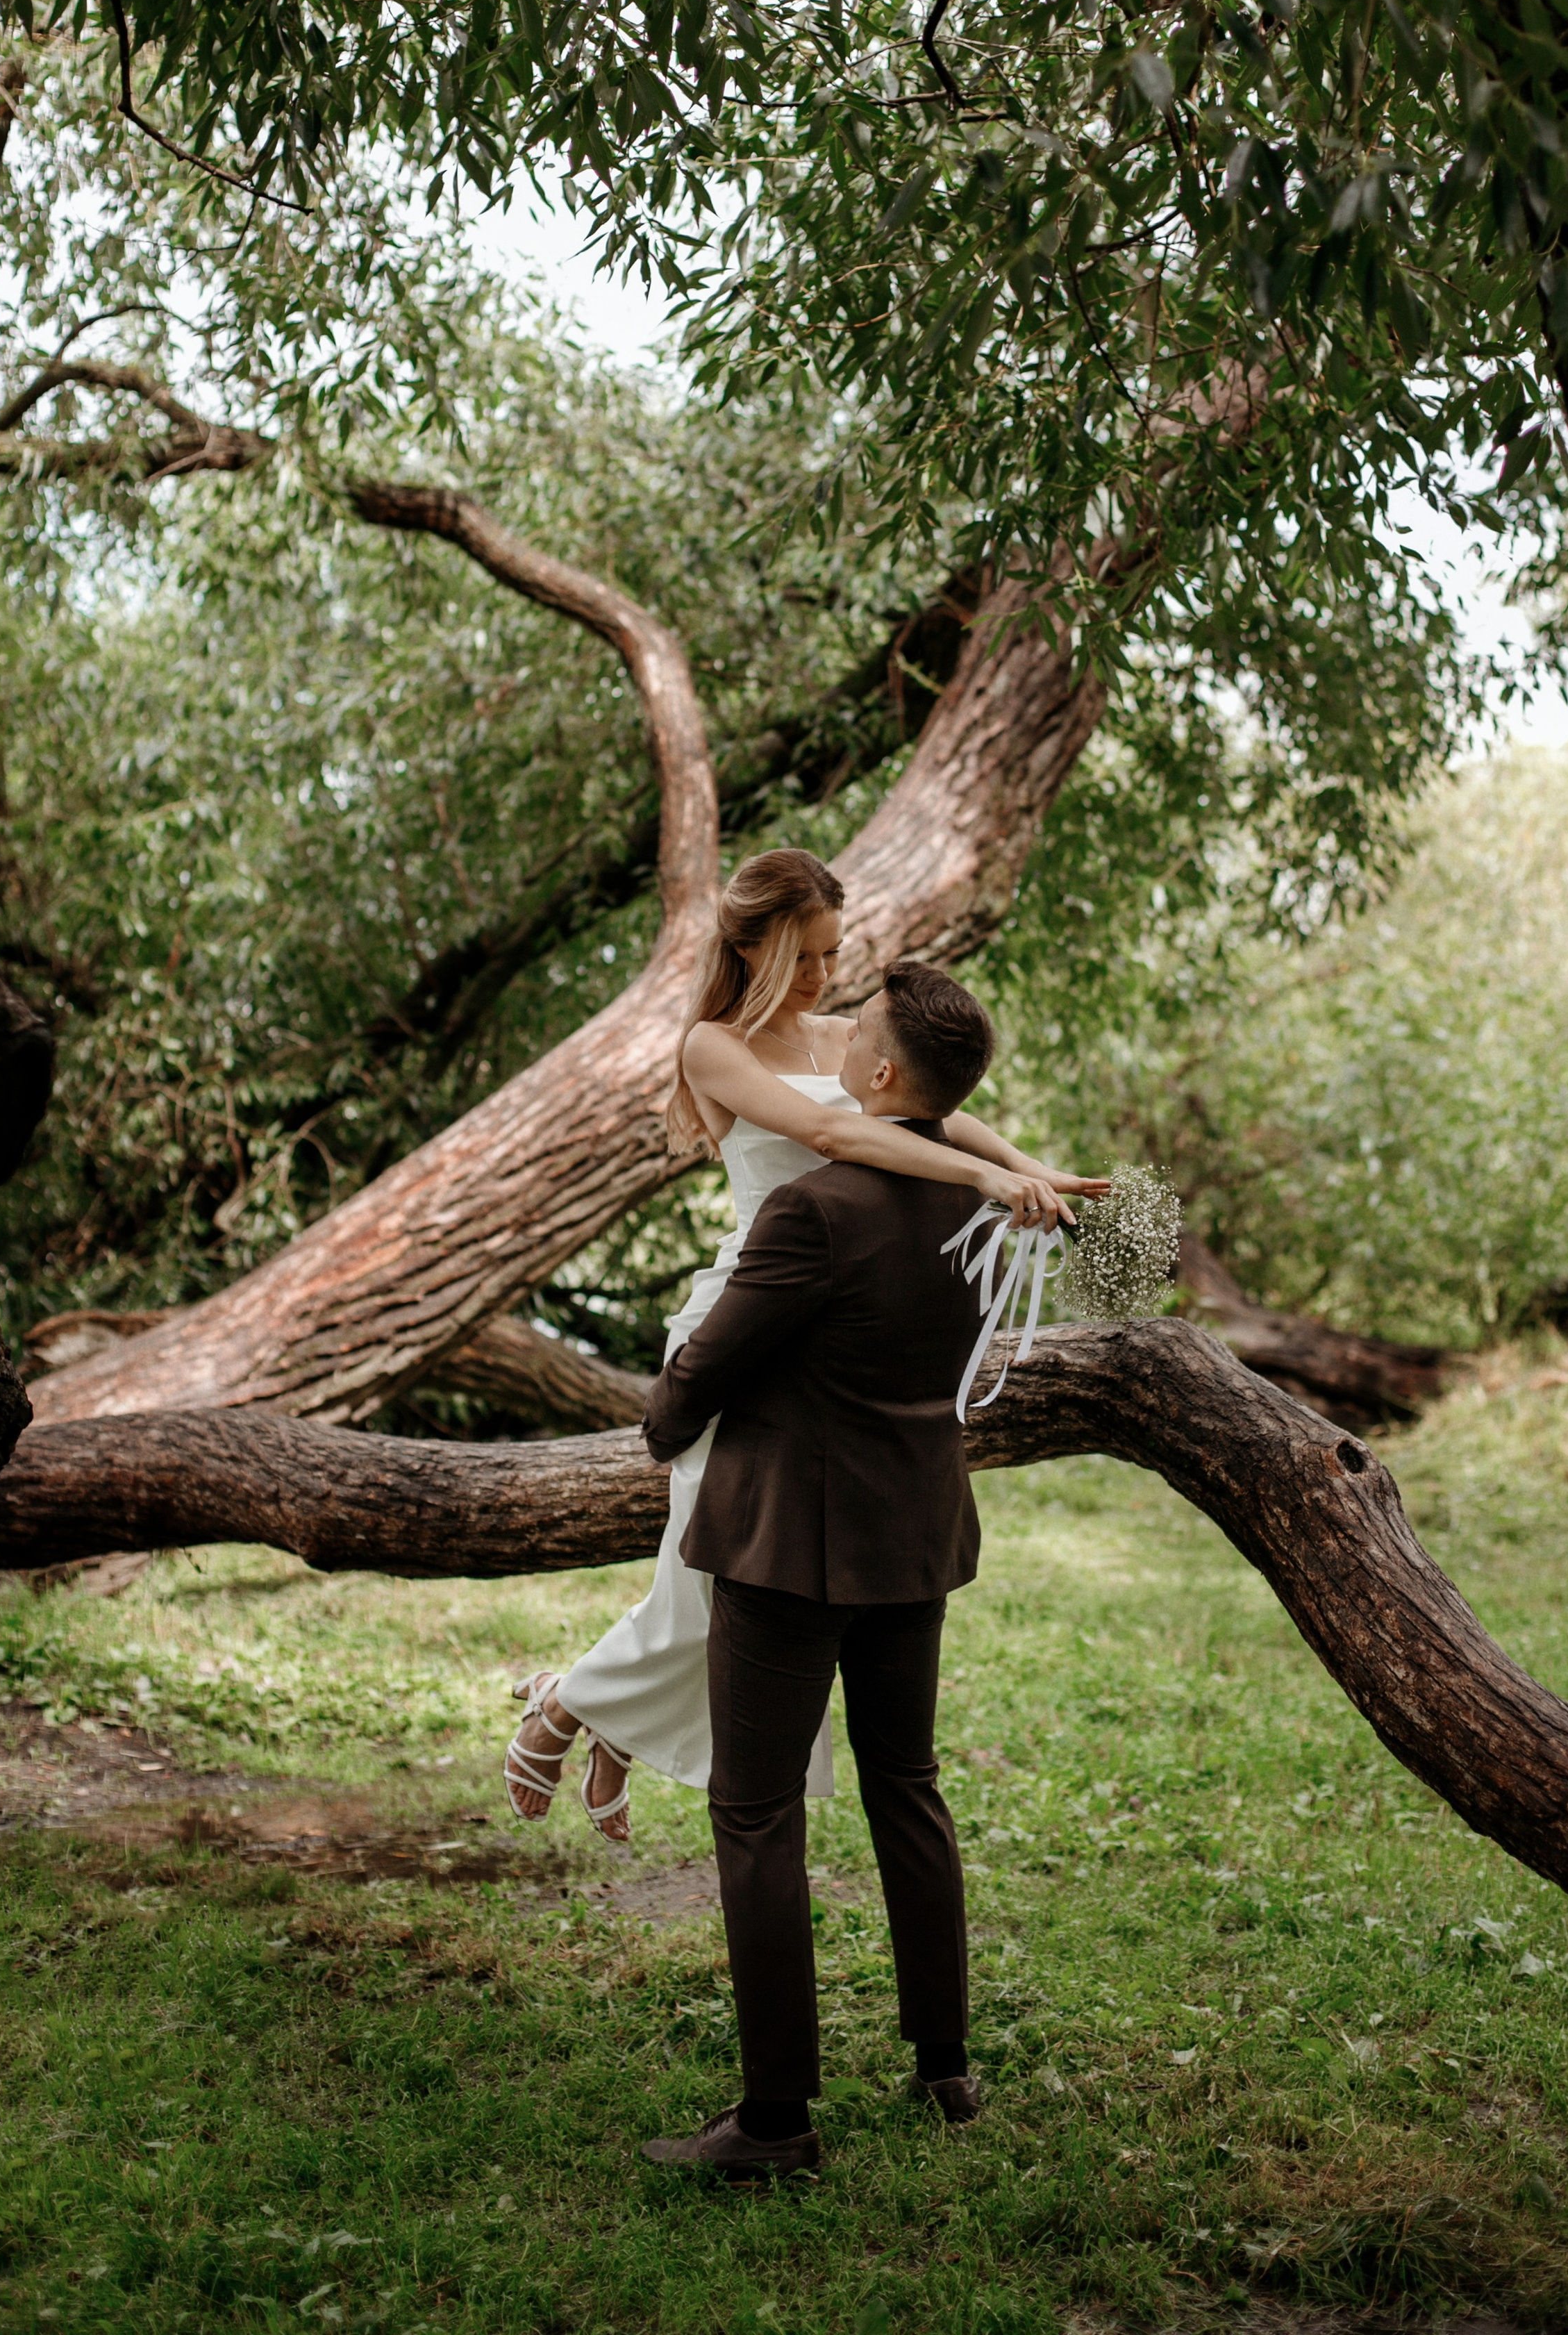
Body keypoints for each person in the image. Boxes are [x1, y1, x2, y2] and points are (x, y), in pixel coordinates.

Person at [502, 848, 1099, 1843]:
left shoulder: (840, 1038)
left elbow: (947, 1116)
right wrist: (983, 1184)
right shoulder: (714, 1049)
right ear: (755, 948)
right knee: (706, 1578)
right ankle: (568, 1704)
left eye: (834, 955)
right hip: (753, 1322)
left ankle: (586, 1710)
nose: (828, 979)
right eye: (808, 957)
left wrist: (1036, 1171)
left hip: (843, 1334)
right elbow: (842, 1143)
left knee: (714, 1583)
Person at [638, 961, 1015, 2177]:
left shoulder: (812, 1210)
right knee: (907, 1782)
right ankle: (944, 2066)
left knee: (756, 1814)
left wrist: (662, 1419)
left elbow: (707, 1369)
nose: (838, 1036)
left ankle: (775, 2122)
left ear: (886, 1074)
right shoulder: (976, 1208)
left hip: (788, 1543)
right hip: (911, 1533)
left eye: (858, 1029)